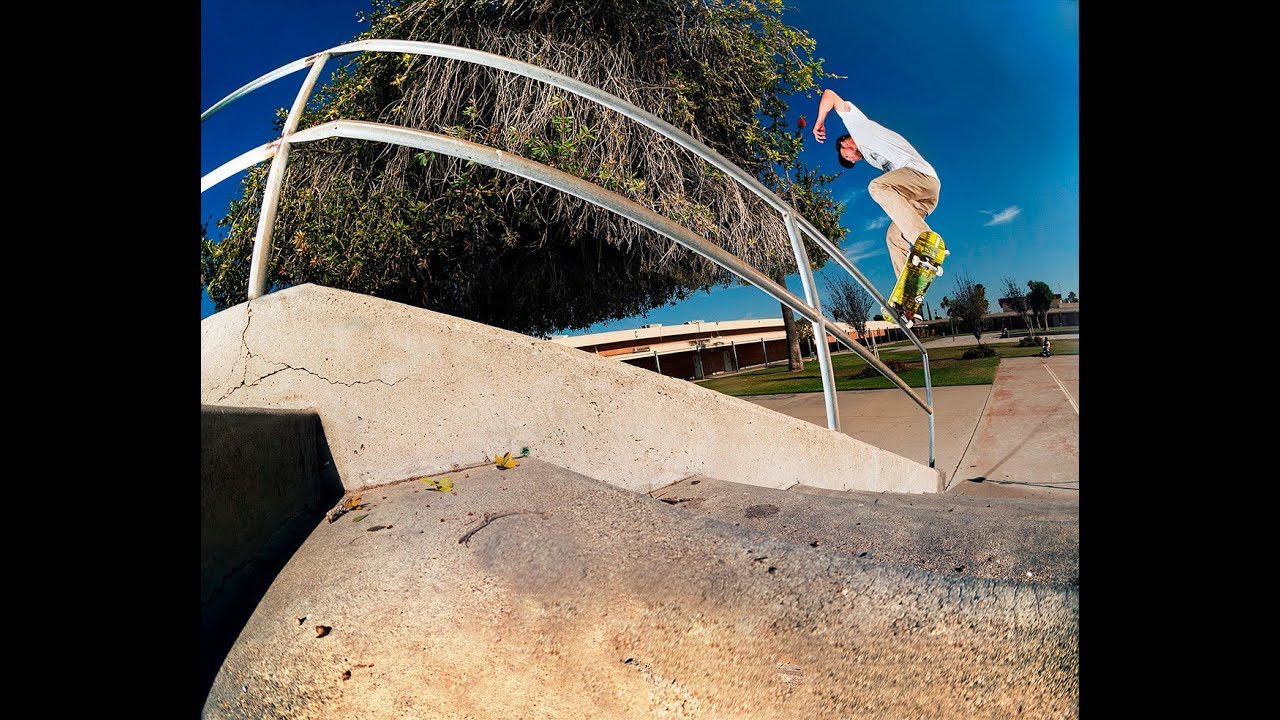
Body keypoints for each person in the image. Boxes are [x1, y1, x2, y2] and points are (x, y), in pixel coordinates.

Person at [812, 88, 941, 322]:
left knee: (877, 187)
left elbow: (829, 95)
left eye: (847, 157)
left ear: (845, 144)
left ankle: (926, 243)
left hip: (922, 177)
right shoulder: (875, 159)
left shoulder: (857, 125)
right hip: (922, 196)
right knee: (894, 236)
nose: (851, 159)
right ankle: (910, 303)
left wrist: (820, 121)